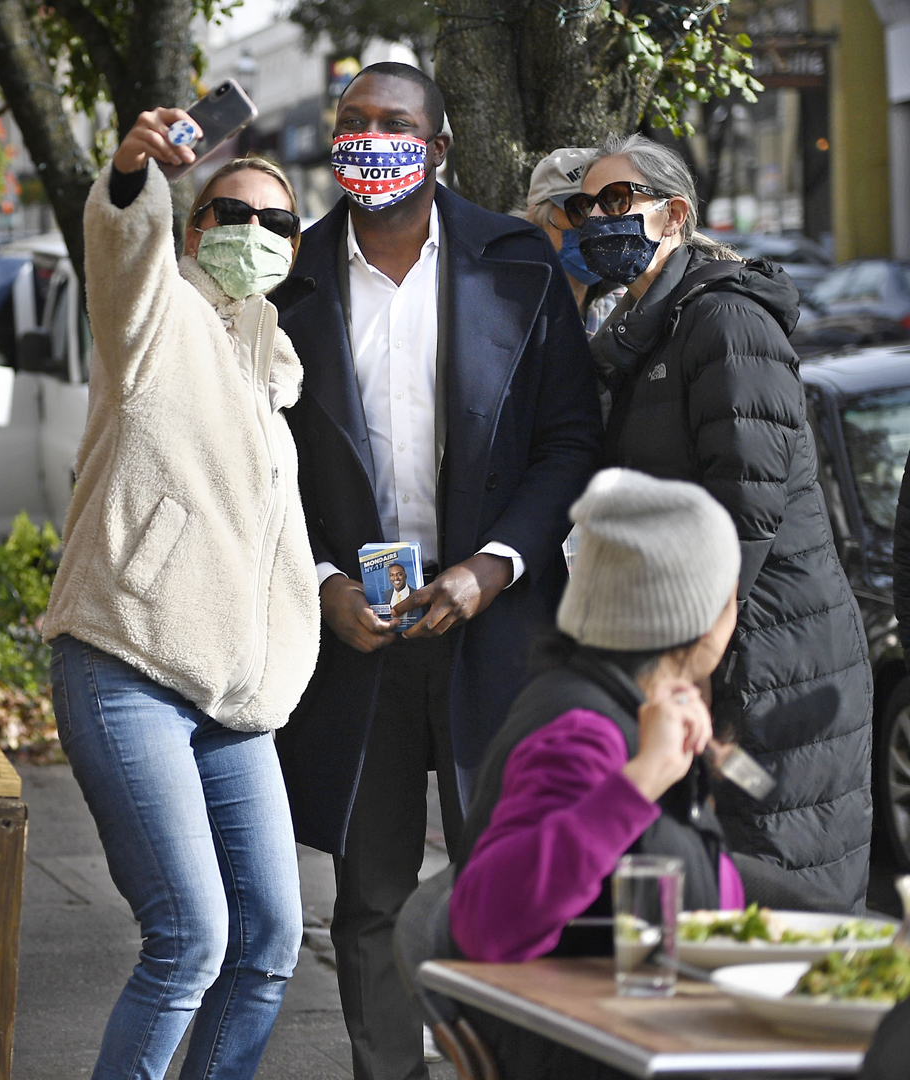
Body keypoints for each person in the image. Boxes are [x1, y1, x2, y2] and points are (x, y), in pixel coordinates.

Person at [267, 61, 603, 1080]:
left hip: (493, 630)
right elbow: (261, 461)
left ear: (439, 146)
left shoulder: (516, 263)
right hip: (355, 639)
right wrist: (324, 581)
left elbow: (567, 441)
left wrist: (491, 568)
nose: (373, 141)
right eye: (354, 124)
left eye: (396, 125)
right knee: (367, 897)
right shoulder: (293, 277)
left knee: (505, 882)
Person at [40, 106, 318, 1079]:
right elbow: (122, 248)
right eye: (232, 214)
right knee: (190, 939)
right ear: (195, 229)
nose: (256, 235)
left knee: (272, 940)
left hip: (234, 699)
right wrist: (130, 172)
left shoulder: (272, 371)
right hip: (127, 663)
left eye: (280, 224)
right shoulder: (157, 318)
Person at [578, 134, 870, 908]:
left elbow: (746, 507)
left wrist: (694, 663)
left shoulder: (724, 322)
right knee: (712, 886)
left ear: (674, 214)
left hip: (768, 661)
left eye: (618, 201)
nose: (596, 220)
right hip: (707, 656)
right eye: (585, 206)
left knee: (782, 874)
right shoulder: (643, 332)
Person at [448, 469, 743, 1078]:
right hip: (596, 1052)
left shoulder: (634, 710)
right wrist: (639, 782)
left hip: (649, 1035)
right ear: (698, 615)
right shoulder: (586, 732)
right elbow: (487, 923)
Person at [522, 147, 623, 335]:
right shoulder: (509, 301)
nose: (596, 224)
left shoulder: (625, 306)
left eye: (608, 208)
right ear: (537, 219)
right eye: (580, 209)